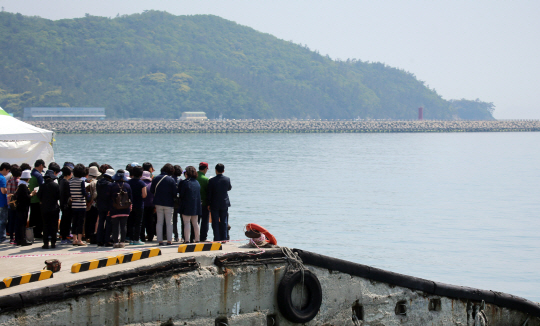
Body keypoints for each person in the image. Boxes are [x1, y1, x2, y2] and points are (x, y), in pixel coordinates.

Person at [150, 163, 177, 246]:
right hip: (169, 203)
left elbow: (151, 190)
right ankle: (169, 241)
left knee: (159, 222)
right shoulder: (171, 180)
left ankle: (160, 241)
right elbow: (174, 193)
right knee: (169, 222)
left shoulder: (156, 178)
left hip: (158, 202)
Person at [37, 165, 61, 249]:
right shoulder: (56, 185)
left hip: (44, 208)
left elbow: (38, 195)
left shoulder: (42, 186)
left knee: (46, 225)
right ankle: (53, 243)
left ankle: (46, 243)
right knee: (54, 225)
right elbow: (59, 197)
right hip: (54, 208)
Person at [207, 163, 232, 241]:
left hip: (214, 203)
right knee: (224, 221)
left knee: (215, 222)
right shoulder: (227, 179)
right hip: (224, 203)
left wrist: (208, 204)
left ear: (216, 170)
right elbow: (229, 188)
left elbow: (209, 193)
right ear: (223, 171)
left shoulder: (212, 180)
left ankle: (217, 238)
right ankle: (224, 238)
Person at [108, 170, 132, 248]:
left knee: (115, 226)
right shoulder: (127, 186)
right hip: (125, 208)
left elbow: (108, 198)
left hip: (114, 208)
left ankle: (115, 242)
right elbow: (131, 198)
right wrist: (130, 206)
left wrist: (108, 209)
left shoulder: (111, 186)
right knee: (123, 225)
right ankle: (122, 242)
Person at [179, 166, 202, 243]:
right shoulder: (197, 182)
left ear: (186, 173)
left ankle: (187, 240)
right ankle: (197, 239)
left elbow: (181, 194)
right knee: (195, 223)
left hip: (186, 205)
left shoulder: (185, 182)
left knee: (186, 223)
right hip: (196, 205)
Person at [14, 170, 36, 246]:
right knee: (22, 224)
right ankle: (22, 240)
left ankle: (18, 239)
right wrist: (32, 194)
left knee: (19, 223)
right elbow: (26, 197)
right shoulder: (23, 186)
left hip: (20, 207)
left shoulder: (21, 185)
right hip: (23, 207)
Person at [70, 163, 89, 246]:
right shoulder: (81, 181)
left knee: (74, 222)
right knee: (80, 223)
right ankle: (79, 240)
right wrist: (88, 194)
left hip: (73, 203)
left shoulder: (70, 181)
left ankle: (74, 239)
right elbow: (84, 193)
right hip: (81, 203)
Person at [127, 166, 147, 245]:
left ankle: (131, 239)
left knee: (130, 222)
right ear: (141, 174)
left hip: (130, 204)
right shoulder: (142, 183)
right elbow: (144, 195)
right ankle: (136, 239)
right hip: (139, 204)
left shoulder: (128, 182)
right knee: (138, 223)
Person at [96, 168, 114, 246]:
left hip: (100, 204)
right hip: (108, 205)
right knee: (108, 223)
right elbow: (110, 197)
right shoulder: (110, 185)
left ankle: (99, 240)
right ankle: (107, 240)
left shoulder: (98, 182)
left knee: (101, 222)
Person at [28, 159, 45, 238]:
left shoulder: (30, 174)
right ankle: (37, 233)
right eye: (43, 167)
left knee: (32, 216)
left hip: (31, 198)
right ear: (41, 165)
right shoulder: (38, 175)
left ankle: (31, 233)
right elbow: (42, 188)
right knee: (38, 217)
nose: (42, 169)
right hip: (37, 199)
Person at [84, 166, 100, 244]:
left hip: (84, 204)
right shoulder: (95, 182)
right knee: (93, 221)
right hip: (93, 205)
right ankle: (91, 236)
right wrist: (91, 201)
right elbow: (95, 194)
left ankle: (86, 236)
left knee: (87, 221)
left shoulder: (85, 181)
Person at [58, 164, 73, 244]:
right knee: (66, 221)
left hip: (62, 203)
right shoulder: (66, 182)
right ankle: (65, 237)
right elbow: (68, 194)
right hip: (66, 204)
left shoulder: (61, 181)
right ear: (68, 174)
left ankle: (64, 236)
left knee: (64, 220)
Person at [6, 165, 21, 244]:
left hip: (10, 203)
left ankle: (11, 237)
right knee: (17, 221)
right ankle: (16, 237)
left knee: (11, 221)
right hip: (17, 203)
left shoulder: (9, 181)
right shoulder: (18, 182)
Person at [197, 162, 210, 242]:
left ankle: (195, 236)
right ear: (205, 169)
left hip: (195, 203)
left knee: (195, 221)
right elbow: (208, 193)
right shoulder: (206, 180)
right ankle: (203, 237)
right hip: (204, 203)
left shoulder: (194, 177)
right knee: (204, 222)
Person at [141, 171, 156, 242]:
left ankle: (142, 237)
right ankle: (150, 236)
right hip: (151, 205)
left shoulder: (141, 184)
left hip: (143, 205)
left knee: (142, 222)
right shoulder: (152, 184)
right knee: (150, 221)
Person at [0, 162, 11, 243]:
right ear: (4, 169)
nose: (8, 173)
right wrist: (9, 190)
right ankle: (2, 238)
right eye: (8, 171)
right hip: (2, 202)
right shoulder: (2, 178)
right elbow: (3, 191)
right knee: (3, 221)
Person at [172, 165, 183, 242]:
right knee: (183, 220)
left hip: (172, 202)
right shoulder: (181, 180)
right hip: (180, 201)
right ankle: (183, 236)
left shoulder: (170, 179)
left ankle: (176, 236)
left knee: (174, 220)